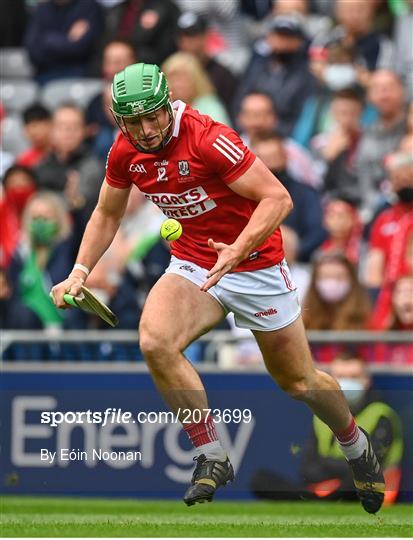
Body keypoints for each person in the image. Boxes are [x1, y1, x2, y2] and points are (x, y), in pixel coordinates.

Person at [51, 62, 385, 513]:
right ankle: (211, 454)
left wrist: (238, 248)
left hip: (256, 265)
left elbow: (278, 198)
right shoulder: (123, 151)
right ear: (119, 119)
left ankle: (354, 443)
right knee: (155, 340)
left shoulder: (209, 138)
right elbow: (107, 214)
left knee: (299, 382)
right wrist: (79, 271)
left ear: (169, 105)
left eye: (153, 116)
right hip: (193, 262)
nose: (146, 130)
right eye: (134, 121)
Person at [251, 352, 403, 504]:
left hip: (363, 492)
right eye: (341, 377)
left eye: (354, 377)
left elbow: (369, 468)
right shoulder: (320, 416)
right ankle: (319, 501)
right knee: (261, 479)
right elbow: (307, 469)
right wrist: (343, 468)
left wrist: (326, 464)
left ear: (367, 381)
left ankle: (315, 502)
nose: (347, 383)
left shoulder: (381, 415)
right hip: (323, 489)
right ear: (330, 381)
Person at [235, 14, 315, 136]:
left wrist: (272, 127)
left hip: (285, 141)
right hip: (248, 135)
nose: (282, 43)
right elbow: (239, 104)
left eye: (288, 37)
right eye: (279, 36)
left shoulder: (306, 76)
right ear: (269, 38)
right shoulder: (255, 68)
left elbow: (303, 120)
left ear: (299, 41)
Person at [252, 133, 326, 262]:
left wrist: (293, 254)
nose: (271, 165)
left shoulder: (305, 193)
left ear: (286, 156)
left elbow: (316, 232)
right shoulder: (245, 195)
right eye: (265, 159)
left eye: (275, 157)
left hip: (297, 264)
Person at [237, 91, 321, 188]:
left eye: (263, 114)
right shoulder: (231, 152)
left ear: (275, 117)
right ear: (240, 118)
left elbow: (314, 187)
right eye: (250, 114)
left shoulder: (294, 153)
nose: (257, 122)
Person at [355, 70, 407, 217]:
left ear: (403, 91)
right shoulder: (366, 135)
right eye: (377, 88)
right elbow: (364, 182)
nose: (384, 94)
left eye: (389, 87)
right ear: (370, 97)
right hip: (380, 212)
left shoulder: (409, 129)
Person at [24, 0, 103, 84]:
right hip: (44, 74)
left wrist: (46, 41)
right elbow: (32, 50)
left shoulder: (89, 7)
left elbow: (81, 47)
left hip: (78, 75)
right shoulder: (43, 9)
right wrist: (67, 40)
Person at [176, 12, 238, 118]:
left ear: (206, 36)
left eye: (192, 35)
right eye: (182, 36)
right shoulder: (173, 70)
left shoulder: (222, 75)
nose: (185, 41)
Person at [302, 252, 371, 332]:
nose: (332, 283)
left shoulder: (366, 320)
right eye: (326, 277)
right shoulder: (304, 322)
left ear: (352, 281)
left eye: (339, 277)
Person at [162, 52, 231, 125]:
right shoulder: (163, 109)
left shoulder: (209, 105)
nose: (177, 84)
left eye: (182, 78)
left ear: (196, 80)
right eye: (173, 79)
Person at [17, 104, 52, 169]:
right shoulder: (24, 161)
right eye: (28, 128)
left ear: (50, 124)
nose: (34, 132)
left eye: (35, 126)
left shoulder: (62, 153)